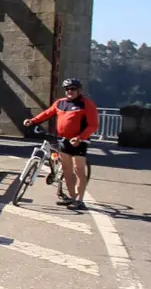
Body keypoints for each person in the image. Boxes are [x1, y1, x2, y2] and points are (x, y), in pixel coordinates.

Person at [23, 78, 98, 210]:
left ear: (79, 90)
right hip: (63, 141)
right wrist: (32, 121)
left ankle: (80, 200)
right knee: (67, 171)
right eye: (67, 89)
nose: (70, 91)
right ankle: (72, 197)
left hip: (79, 142)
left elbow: (93, 125)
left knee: (78, 170)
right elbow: (47, 113)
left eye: (73, 89)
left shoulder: (86, 104)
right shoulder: (60, 103)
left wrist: (80, 138)